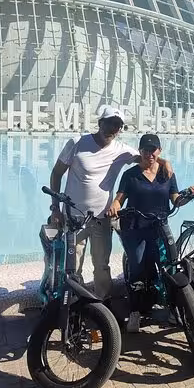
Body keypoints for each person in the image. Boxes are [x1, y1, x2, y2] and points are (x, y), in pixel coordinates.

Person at [49, 107, 171, 303]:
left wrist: (165, 162)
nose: (113, 128)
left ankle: (101, 307)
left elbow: (146, 158)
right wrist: (55, 207)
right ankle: (73, 306)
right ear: (100, 123)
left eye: (117, 125)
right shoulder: (77, 143)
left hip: (102, 218)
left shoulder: (121, 150)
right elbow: (56, 173)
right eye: (109, 122)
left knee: (102, 265)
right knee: (72, 265)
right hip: (74, 217)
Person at [108, 133, 194, 333]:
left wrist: (188, 196)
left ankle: (173, 308)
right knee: (137, 268)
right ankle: (135, 312)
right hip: (136, 228)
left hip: (160, 227)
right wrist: (114, 206)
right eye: (145, 150)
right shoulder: (130, 174)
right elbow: (119, 198)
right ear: (140, 151)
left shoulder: (167, 173)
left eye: (153, 149)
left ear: (160, 151)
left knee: (170, 267)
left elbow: (175, 199)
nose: (150, 153)